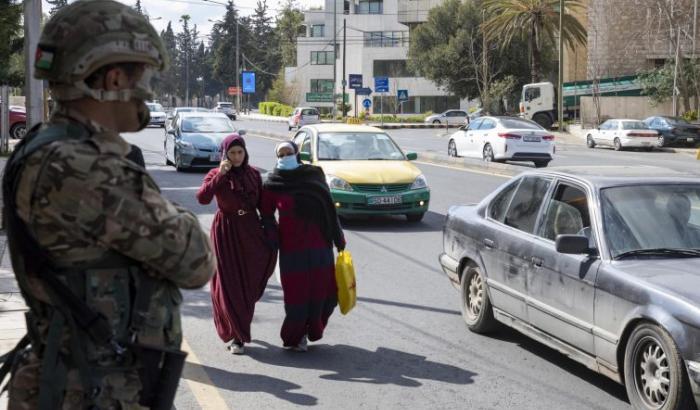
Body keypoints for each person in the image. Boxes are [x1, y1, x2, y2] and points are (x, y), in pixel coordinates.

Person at [0, 1, 215, 408]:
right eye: (144, 76)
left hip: (73, 380)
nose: (149, 91)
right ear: (115, 79)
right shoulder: (85, 168)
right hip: (91, 391)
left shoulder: (49, 146)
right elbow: (195, 261)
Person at [196, 134, 277, 355]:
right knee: (230, 284)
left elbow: (264, 205)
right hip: (226, 232)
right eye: (232, 153)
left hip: (250, 230)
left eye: (240, 152)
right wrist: (221, 174)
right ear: (224, 154)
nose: (237, 156)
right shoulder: (217, 174)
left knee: (248, 284)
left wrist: (271, 231)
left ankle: (239, 327)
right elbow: (202, 198)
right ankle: (237, 336)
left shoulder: (253, 174)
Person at [262, 141, 346, 352]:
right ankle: (295, 336)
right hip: (291, 249)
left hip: (320, 245)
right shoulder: (272, 183)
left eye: (289, 152)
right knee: (296, 296)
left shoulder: (314, 175)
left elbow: (329, 207)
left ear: (297, 153)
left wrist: (339, 239)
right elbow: (266, 214)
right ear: (276, 157)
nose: (285, 156)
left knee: (325, 293)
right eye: (281, 154)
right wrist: (272, 238)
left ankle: (312, 329)